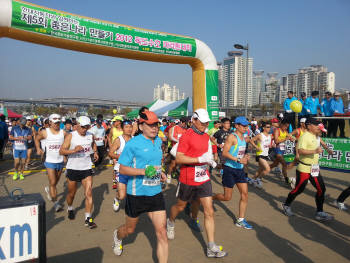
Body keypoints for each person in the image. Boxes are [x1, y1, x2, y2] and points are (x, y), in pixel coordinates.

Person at [167, 109, 227, 258]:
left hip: (204, 178)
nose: (205, 125)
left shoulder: (206, 136)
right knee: (180, 206)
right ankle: (170, 221)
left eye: (207, 122)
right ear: (193, 120)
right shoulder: (186, 136)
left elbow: (207, 152)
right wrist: (199, 160)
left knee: (208, 211)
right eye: (202, 122)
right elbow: (179, 158)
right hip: (188, 179)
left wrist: (211, 161)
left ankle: (211, 246)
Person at [112, 111, 168, 262]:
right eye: (150, 125)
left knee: (162, 232)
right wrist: (143, 171)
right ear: (141, 126)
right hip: (137, 194)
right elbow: (122, 168)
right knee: (129, 230)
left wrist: (160, 172)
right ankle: (117, 236)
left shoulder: (158, 141)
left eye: (156, 124)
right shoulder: (133, 144)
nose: (154, 128)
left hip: (156, 193)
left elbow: (155, 163)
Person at [281, 118, 333, 221]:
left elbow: (321, 141)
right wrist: (315, 150)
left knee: (321, 189)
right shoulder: (304, 136)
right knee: (298, 190)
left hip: (314, 169)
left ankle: (320, 212)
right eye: (316, 125)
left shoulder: (316, 135)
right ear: (309, 126)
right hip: (304, 168)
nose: (318, 128)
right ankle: (286, 205)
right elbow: (300, 150)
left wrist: (327, 149)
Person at [213, 116, 253, 230]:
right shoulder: (232, 137)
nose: (246, 128)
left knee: (244, 194)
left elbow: (240, 152)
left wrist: (245, 156)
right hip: (229, 169)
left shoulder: (244, 137)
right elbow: (225, 153)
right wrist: (238, 159)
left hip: (239, 170)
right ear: (237, 126)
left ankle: (240, 220)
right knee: (227, 197)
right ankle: (211, 198)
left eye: (247, 126)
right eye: (243, 126)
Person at [59, 116, 99, 229]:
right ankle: (70, 208)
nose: (84, 129)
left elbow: (93, 144)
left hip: (86, 168)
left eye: (86, 127)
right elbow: (61, 151)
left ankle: (88, 218)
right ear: (77, 125)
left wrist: (95, 152)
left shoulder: (90, 135)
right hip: (73, 168)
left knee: (89, 193)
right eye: (82, 127)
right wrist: (73, 150)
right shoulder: (71, 136)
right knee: (72, 194)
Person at [35, 114, 67, 212]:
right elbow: (36, 139)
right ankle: (56, 203)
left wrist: (66, 155)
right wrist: (38, 148)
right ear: (50, 122)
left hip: (60, 160)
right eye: (55, 122)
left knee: (55, 182)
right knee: (53, 182)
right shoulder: (45, 132)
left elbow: (68, 144)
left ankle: (49, 190)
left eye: (58, 122)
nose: (57, 124)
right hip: (49, 161)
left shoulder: (63, 133)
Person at [108, 120, 133, 212]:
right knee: (122, 195)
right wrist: (119, 156)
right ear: (122, 129)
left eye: (130, 127)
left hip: (132, 170)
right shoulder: (118, 140)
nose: (129, 129)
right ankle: (117, 199)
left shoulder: (135, 139)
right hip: (120, 169)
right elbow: (110, 153)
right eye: (126, 127)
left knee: (131, 192)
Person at [269, 119, 294, 184]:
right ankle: (286, 179)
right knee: (284, 164)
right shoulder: (277, 130)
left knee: (274, 164)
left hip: (282, 150)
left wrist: (292, 139)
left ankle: (262, 171)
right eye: (285, 126)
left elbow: (290, 137)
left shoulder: (285, 131)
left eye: (287, 127)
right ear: (282, 124)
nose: (286, 127)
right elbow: (276, 141)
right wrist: (285, 139)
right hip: (277, 150)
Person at [249, 121, 272, 189]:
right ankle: (258, 179)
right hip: (260, 154)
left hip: (265, 154)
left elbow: (268, 144)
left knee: (260, 170)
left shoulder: (270, 136)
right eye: (267, 127)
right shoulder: (260, 135)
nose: (269, 128)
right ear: (263, 128)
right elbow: (251, 140)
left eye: (270, 127)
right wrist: (256, 147)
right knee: (267, 169)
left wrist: (271, 145)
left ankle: (252, 179)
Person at [167, 117, 187, 182]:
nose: (185, 125)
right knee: (173, 164)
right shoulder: (174, 128)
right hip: (175, 149)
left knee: (181, 164)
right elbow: (170, 137)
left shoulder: (185, 130)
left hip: (182, 150)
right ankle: (169, 175)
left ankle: (176, 174)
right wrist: (178, 141)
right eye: (185, 123)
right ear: (181, 122)